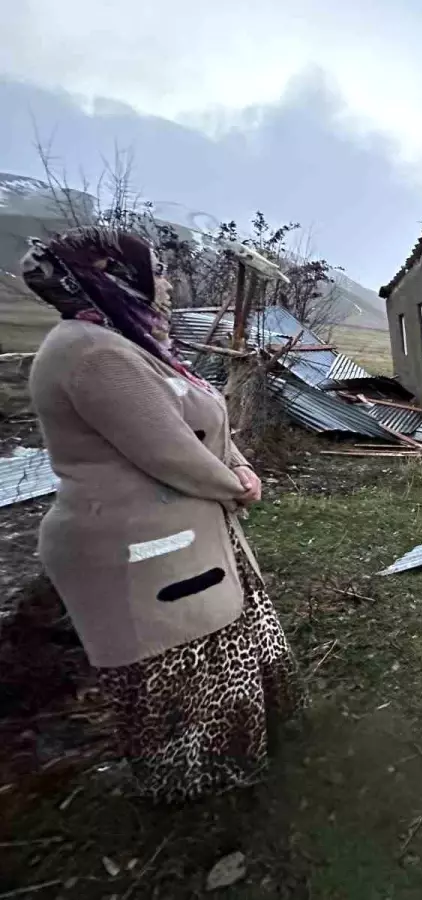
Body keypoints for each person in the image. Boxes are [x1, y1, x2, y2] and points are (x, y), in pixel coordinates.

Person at [24, 226, 303, 803]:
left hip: (186, 532)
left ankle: (249, 755)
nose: (169, 283)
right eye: (157, 270)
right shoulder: (93, 353)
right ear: (115, 276)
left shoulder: (131, 342)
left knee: (224, 639)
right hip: (141, 549)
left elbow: (202, 426)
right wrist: (238, 486)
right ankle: (198, 784)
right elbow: (168, 450)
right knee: (181, 661)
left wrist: (240, 465)